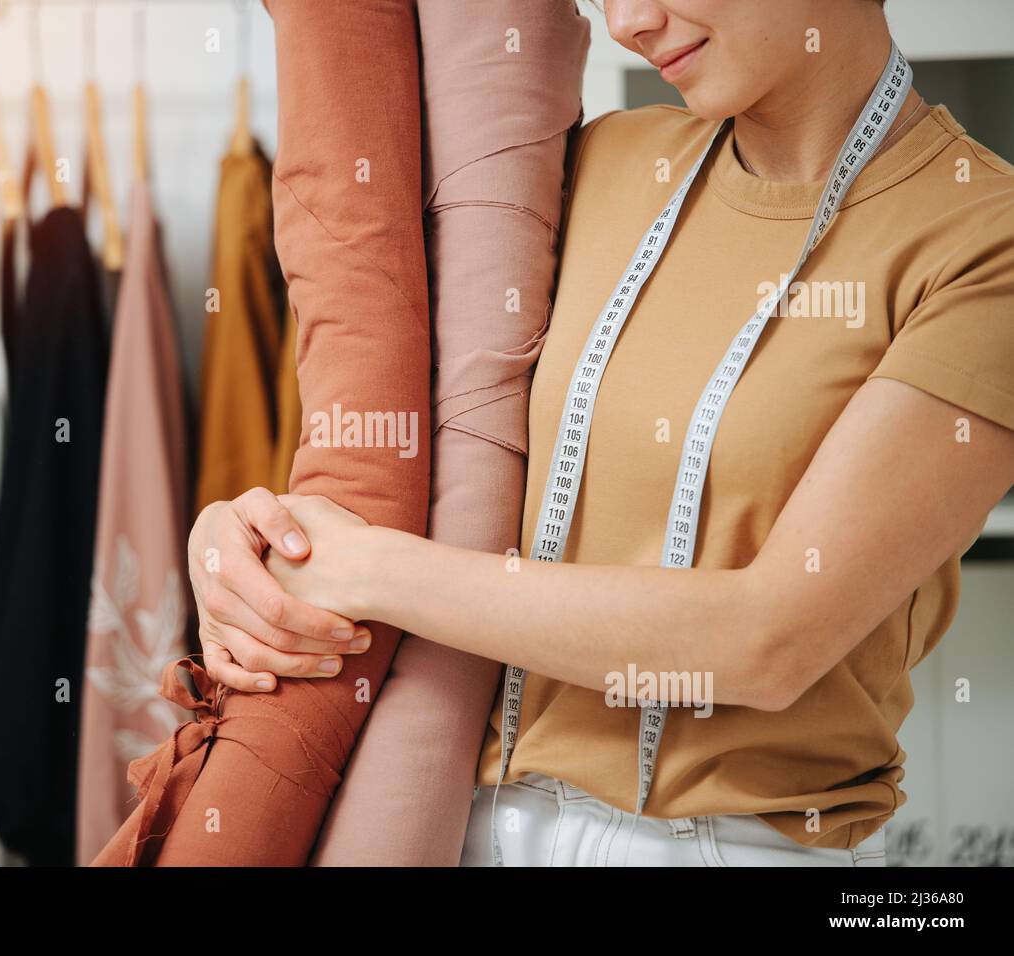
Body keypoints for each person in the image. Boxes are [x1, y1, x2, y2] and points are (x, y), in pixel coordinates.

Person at [188, 0, 1014, 866]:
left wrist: (363, 569)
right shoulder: (597, 165)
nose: (628, 22)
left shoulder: (980, 240)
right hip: (453, 827)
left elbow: (769, 640)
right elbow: (430, 444)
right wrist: (245, 542)